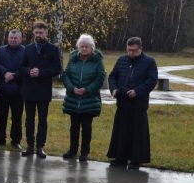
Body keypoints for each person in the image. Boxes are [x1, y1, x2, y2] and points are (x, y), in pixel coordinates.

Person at [107, 36, 158, 170]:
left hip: (138, 104)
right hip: (122, 103)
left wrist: (137, 91)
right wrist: (113, 89)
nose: (131, 53)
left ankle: (136, 160)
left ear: (140, 49)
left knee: (137, 134)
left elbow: (152, 80)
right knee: (121, 132)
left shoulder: (149, 62)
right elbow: (112, 76)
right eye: (128, 50)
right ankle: (120, 158)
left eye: (134, 51)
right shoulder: (121, 60)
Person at [21, 21, 61, 159]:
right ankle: (30, 146)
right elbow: (22, 67)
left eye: (41, 32)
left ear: (46, 33)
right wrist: (29, 71)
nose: (38, 35)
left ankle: (40, 147)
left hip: (44, 90)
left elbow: (57, 69)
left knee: (42, 120)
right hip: (29, 89)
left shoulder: (53, 49)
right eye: (36, 32)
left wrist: (41, 72)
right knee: (29, 120)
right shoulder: (27, 48)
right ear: (33, 32)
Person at [62, 34, 105, 162]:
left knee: (86, 128)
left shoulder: (97, 61)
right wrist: (72, 88)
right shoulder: (73, 59)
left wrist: (87, 90)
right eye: (81, 46)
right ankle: (72, 151)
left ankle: (84, 153)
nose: (84, 49)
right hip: (73, 99)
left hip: (89, 99)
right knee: (74, 127)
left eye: (86, 46)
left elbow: (100, 78)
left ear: (92, 47)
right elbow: (66, 75)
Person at [0, 29, 25, 150]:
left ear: (20, 39)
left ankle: (16, 141)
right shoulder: (0, 50)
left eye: (16, 38)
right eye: (11, 37)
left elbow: (25, 68)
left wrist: (14, 75)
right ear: (8, 38)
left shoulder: (25, 51)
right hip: (3, 90)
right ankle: (0, 140)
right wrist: (5, 73)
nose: (13, 40)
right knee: (1, 116)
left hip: (18, 90)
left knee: (17, 117)